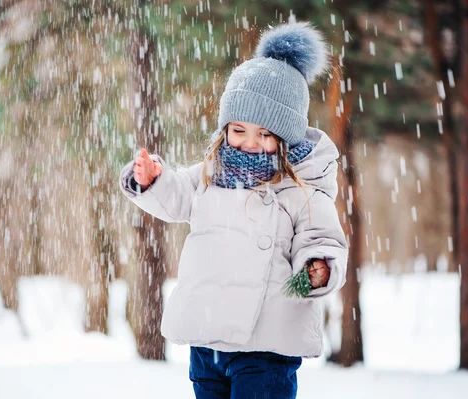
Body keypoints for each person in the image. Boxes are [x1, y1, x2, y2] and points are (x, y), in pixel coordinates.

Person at [119, 21, 348, 399]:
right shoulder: (211, 175)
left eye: (265, 134)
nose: (248, 143)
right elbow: (175, 196)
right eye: (238, 130)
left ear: (286, 137)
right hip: (208, 338)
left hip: (266, 343)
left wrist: (319, 266)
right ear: (226, 127)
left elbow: (320, 237)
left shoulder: (300, 187)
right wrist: (151, 180)